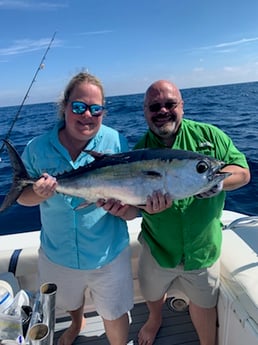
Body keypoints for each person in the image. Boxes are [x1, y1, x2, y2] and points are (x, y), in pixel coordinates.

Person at [17, 71, 138, 345]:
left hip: (108, 253)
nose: (87, 115)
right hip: (57, 252)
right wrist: (37, 193)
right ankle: (77, 322)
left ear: (103, 112)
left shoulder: (116, 142)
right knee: (70, 301)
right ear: (65, 107)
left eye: (96, 109)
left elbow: (132, 204)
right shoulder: (37, 148)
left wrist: (124, 210)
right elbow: (22, 197)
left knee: (115, 311)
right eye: (79, 107)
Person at [134, 80, 251, 345]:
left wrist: (219, 182)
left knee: (203, 303)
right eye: (155, 106)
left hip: (202, 249)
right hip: (158, 247)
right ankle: (155, 319)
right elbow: (131, 204)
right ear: (145, 111)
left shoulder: (210, 137)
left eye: (170, 104)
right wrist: (141, 207)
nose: (163, 110)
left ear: (182, 107)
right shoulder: (138, 151)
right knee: (152, 292)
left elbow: (243, 173)